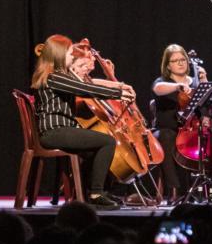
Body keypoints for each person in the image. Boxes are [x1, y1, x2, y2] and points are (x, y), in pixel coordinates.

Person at [31, 35, 135, 209]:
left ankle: (92, 193)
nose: (72, 56)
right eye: (70, 53)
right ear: (59, 55)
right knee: (108, 142)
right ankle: (96, 194)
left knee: (94, 150)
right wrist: (118, 94)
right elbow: (84, 88)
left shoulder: (58, 76)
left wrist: (116, 84)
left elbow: (87, 82)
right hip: (54, 132)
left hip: (60, 130)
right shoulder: (54, 77)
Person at [151, 44, 199, 202]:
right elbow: (157, 88)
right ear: (168, 65)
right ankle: (175, 190)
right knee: (167, 137)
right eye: (175, 60)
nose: (180, 63)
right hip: (166, 130)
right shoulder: (162, 81)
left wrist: (203, 81)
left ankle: (202, 189)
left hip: (190, 130)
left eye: (183, 59)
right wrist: (178, 86)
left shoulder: (195, 82)